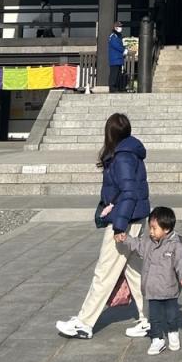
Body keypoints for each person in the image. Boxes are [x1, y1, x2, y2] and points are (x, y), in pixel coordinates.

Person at [57, 113, 151, 340]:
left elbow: (129, 192)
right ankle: (149, 317)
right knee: (134, 272)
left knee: (105, 271)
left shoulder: (123, 157)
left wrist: (119, 226)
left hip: (125, 219)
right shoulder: (129, 153)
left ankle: (85, 322)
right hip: (134, 217)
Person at [118, 206, 182, 356]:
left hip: (169, 289)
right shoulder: (148, 243)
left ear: (166, 229)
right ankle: (157, 339)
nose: (151, 231)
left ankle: (172, 332)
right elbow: (137, 245)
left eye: (154, 228)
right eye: (150, 227)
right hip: (152, 289)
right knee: (155, 318)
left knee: (171, 316)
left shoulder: (176, 246)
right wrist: (126, 238)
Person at [108, 22, 126, 92]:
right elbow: (116, 45)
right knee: (114, 74)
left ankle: (116, 87)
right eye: (119, 27)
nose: (121, 28)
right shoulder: (113, 36)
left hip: (119, 58)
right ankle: (112, 88)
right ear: (115, 27)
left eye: (121, 27)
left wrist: (124, 49)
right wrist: (124, 50)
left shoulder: (118, 36)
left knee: (118, 74)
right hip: (114, 59)